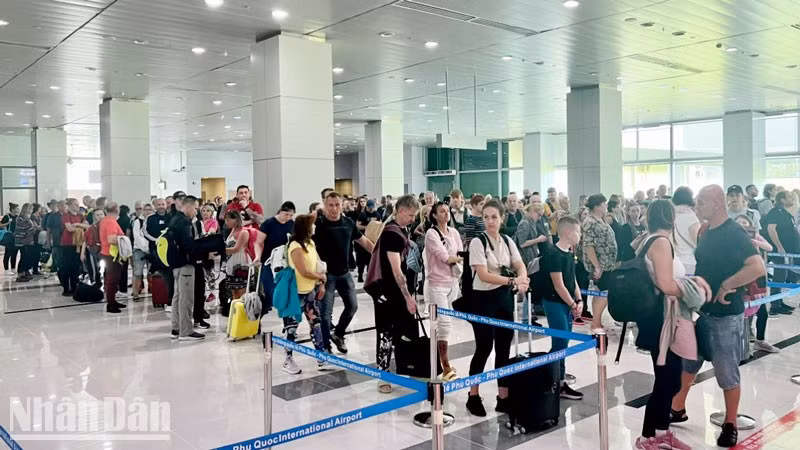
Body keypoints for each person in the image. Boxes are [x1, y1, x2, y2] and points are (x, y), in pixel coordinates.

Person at [671, 185, 766, 448]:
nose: (696, 206)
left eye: (701, 202)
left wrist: (727, 285)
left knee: (726, 372)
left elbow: (756, 266)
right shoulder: (705, 231)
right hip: (703, 311)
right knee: (690, 362)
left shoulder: (734, 233)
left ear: (715, 203)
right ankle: (677, 407)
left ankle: (730, 423)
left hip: (726, 316)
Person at [634, 200, 709, 450]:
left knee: (668, 378)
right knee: (667, 380)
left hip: (659, 317)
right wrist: (693, 288)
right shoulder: (661, 243)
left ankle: (662, 431)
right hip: (665, 319)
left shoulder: (646, 240)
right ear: (671, 218)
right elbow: (666, 284)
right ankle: (647, 437)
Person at [465, 199, 530, 416]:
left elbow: (519, 263)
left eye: (494, 217)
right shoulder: (477, 242)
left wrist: (522, 277)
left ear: (502, 218)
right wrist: (513, 282)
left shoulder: (507, 241)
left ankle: (503, 396)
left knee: (504, 347)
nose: (490, 221)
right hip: (482, 298)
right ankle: (473, 395)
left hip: (502, 298)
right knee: (483, 347)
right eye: (486, 217)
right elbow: (483, 274)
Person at [369, 195, 420, 393]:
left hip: (396, 292)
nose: (412, 219)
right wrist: (408, 297)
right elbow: (397, 271)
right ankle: (383, 376)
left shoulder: (399, 229)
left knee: (402, 332)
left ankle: (404, 369)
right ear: (399, 211)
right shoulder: (392, 234)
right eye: (410, 215)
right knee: (385, 334)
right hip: (388, 293)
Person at [314, 192, 374, 354]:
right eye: (330, 205)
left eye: (337, 205)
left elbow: (364, 241)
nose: (334, 208)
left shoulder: (348, 223)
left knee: (352, 306)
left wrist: (379, 255)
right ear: (325, 206)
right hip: (326, 276)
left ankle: (339, 334)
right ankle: (325, 345)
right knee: (325, 314)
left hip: (344, 272)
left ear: (342, 205)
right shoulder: (319, 225)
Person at [539, 216, 585, 400]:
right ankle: (549, 377)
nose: (580, 235)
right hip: (554, 303)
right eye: (578, 232)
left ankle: (559, 380)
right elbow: (558, 285)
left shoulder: (568, 253)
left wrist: (579, 299)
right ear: (568, 232)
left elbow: (571, 279)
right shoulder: (553, 254)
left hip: (566, 304)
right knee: (560, 343)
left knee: (563, 344)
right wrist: (573, 304)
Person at [283, 214, 329, 374]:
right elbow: (304, 271)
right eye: (312, 224)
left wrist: (321, 284)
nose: (314, 227)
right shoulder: (295, 246)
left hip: (309, 291)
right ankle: (288, 359)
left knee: (315, 323)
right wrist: (320, 277)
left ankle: (320, 354)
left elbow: (317, 265)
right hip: (294, 293)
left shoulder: (310, 243)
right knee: (291, 328)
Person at [423, 201, 464, 381]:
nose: (446, 214)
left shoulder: (454, 233)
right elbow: (444, 257)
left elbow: (460, 254)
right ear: (434, 215)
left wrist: (458, 259)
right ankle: (445, 364)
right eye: (442, 211)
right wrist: (458, 258)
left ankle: (438, 359)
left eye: (447, 211)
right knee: (443, 323)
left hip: (453, 282)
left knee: (445, 325)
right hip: (437, 284)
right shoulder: (431, 234)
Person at [732, 214, 778, 354]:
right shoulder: (731, 239)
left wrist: (755, 241)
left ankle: (760, 341)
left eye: (745, 223)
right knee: (745, 311)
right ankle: (742, 345)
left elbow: (769, 247)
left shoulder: (756, 236)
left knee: (761, 309)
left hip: (757, 277)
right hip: (742, 276)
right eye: (739, 223)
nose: (743, 225)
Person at [167, 195, 206, 341]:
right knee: (186, 298)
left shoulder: (174, 219)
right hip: (185, 264)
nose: (196, 212)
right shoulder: (185, 223)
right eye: (195, 208)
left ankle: (176, 328)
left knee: (177, 297)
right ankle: (186, 331)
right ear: (188, 206)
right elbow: (188, 245)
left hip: (176, 264)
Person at [581, 194, 617, 330]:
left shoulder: (601, 220)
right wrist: (597, 267)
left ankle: (596, 320)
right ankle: (595, 322)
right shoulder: (590, 222)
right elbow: (588, 246)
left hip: (607, 263)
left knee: (600, 292)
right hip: (600, 264)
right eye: (604, 204)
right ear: (596, 206)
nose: (606, 206)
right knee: (605, 293)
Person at [255, 201, 296, 315]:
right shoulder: (268, 224)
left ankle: (289, 327)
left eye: (291, 215)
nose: (288, 217)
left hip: (285, 264)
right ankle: (256, 322)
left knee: (286, 296)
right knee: (269, 294)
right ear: (280, 211)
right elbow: (258, 242)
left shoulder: (291, 224)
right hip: (269, 263)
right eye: (286, 214)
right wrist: (257, 257)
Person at [762, 190, 798, 315]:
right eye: (789, 197)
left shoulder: (785, 213)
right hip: (779, 251)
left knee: (782, 276)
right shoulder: (775, 212)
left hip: (787, 251)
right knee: (779, 276)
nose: (792, 199)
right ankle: (774, 305)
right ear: (782, 199)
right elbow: (771, 229)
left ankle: (779, 301)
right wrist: (779, 247)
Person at [98, 203, 127, 313]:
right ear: (117, 210)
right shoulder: (111, 222)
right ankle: (111, 304)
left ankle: (113, 300)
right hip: (112, 254)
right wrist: (124, 240)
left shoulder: (104, 220)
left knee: (112, 278)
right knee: (112, 279)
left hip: (107, 253)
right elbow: (111, 239)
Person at [223, 211, 252, 301]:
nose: (226, 223)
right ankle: (236, 313)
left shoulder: (243, 232)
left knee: (242, 293)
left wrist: (221, 251)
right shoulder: (232, 230)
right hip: (231, 263)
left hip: (241, 262)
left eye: (228, 220)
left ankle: (243, 313)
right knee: (234, 293)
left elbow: (236, 249)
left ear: (235, 219)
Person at [672, 187, 700, 275]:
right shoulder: (691, 217)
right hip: (687, 261)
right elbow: (698, 242)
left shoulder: (670, 215)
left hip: (671, 261)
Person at [131, 202, 153, 301]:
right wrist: (145, 247)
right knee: (137, 272)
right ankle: (136, 292)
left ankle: (153, 291)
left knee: (151, 271)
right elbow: (137, 236)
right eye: (146, 210)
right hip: (139, 249)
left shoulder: (153, 221)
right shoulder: (137, 222)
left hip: (152, 249)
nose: (148, 212)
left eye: (150, 210)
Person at [356, 199, 382, 282]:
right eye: (370, 207)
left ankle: (369, 276)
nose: (371, 209)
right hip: (364, 240)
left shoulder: (377, 214)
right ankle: (360, 275)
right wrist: (368, 227)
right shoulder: (362, 215)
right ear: (366, 207)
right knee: (361, 260)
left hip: (373, 240)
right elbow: (357, 225)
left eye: (372, 207)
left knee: (371, 259)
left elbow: (380, 224)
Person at [13, 204, 36, 282]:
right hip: (22, 241)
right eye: (31, 209)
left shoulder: (28, 217)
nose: (32, 210)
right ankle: (20, 275)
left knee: (27, 258)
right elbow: (24, 229)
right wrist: (32, 228)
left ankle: (25, 272)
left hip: (28, 241)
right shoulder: (21, 218)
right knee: (23, 258)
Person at [116, 205, 133, 299]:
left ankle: (121, 289)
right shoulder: (129, 219)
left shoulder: (118, 221)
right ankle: (123, 288)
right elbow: (128, 233)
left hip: (120, 245)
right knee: (125, 268)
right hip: (126, 245)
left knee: (121, 268)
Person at [44, 200, 65, 274]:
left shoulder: (68, 215)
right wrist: (48, 241)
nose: (64, 207)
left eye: (65, 205)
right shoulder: (52, 216)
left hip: (67, 241)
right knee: (58, 258)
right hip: (57, 240)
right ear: (58, 206)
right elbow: (48, 229)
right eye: (62, 205)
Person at [1, 203, 20, 273]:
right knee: (7, 253)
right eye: (17, 208)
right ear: (12, 209)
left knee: (14, 252)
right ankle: (6, 269)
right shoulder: (7, 216)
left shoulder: (18, 217)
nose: (18, 210)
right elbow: (0, 225)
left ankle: (13, 268)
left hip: (16, 237)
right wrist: (8, 223)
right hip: (9, 237)